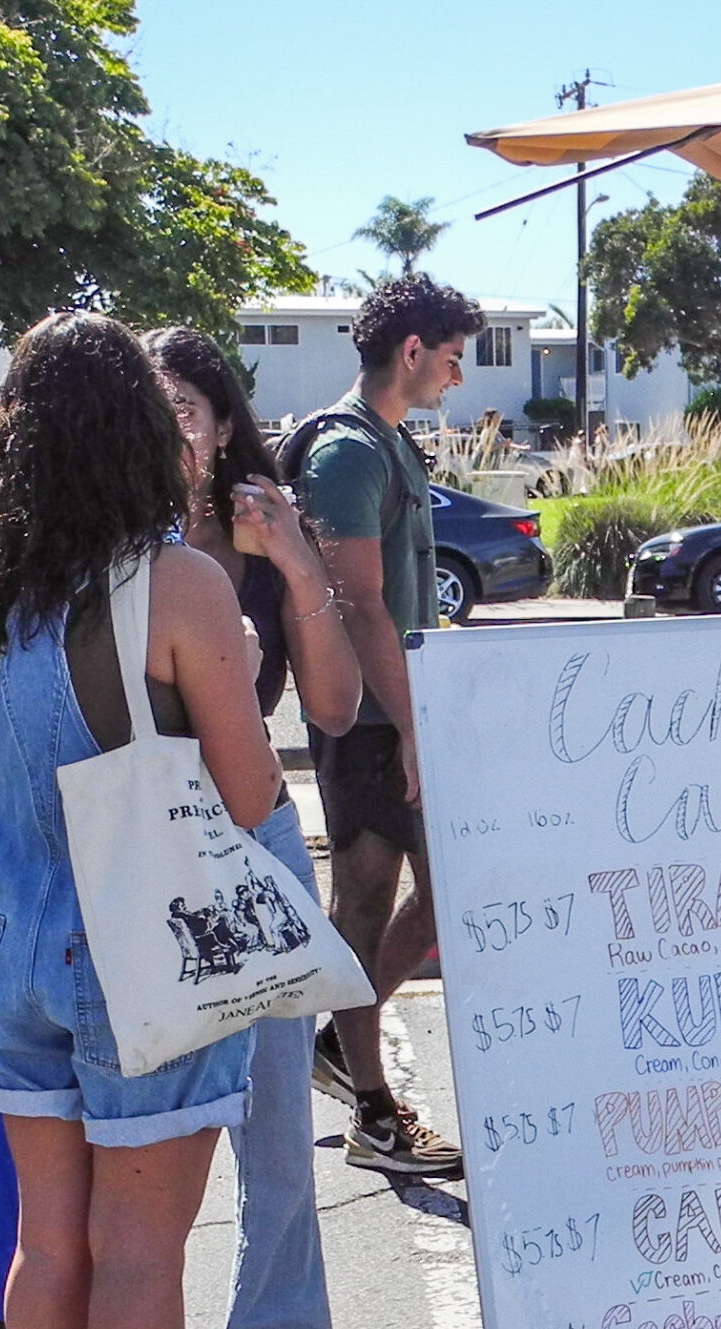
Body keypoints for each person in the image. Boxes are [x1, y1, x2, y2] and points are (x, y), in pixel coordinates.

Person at [0, 312, 296, 1329]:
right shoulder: (179, 583)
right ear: (143, 434)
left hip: (10, 945)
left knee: (51, 1244)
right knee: (142, 1251)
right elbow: (250, 799)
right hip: (143, 954)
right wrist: (228, 680)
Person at [145, 327, 362, 1329]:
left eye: (185, 403)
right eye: (149, 403)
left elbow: (327, 709)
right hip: (135, 850)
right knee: (142, 1135)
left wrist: (296, 564)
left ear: (224, 421)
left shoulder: (261, 527)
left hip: (252, 838)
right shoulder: (105, 534)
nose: (169, 423)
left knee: (273, 1120)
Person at [289, 275, 485, 1176]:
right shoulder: (347, 452)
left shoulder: (389, 443)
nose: (457, 377)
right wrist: (411, 726)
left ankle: (343, 1040)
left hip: (405, 712)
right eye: (451, 358)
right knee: (363, 903)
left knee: (447, 903)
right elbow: (359, 605)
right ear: (411, 351)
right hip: (368, 721)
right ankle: (372, 1110)